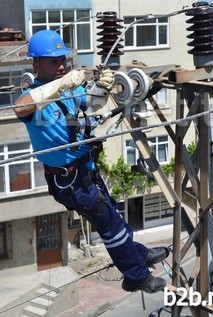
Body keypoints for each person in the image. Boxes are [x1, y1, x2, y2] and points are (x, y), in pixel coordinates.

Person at [14, 29, 169, 293]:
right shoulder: (37, 97)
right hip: (69, 179)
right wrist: (60, 85)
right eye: (54, 61)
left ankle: (137, 255)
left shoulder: (65, 92)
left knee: (114, 219)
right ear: (36, 64)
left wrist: (103, 87)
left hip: (84, 170)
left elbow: (89, 102)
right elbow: (20, 107)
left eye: (63, 59)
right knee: (109, 226)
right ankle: (136, 277)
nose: (62, 65)